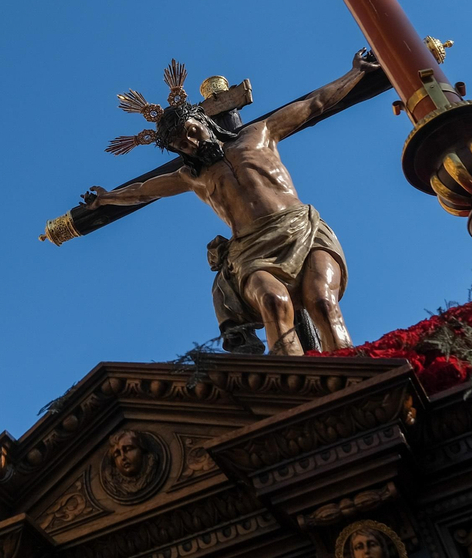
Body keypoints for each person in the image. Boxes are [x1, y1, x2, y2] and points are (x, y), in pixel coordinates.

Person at [83, 51, 381, 354]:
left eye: (191, 132)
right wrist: (106, 197)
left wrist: (355, 73)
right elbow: (143, 191)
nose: (191, 144)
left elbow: (313, 104)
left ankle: (354, 378)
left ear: (202, 120)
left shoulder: (259, 134)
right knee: (273, 303)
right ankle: (296, 387)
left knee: (322, 301)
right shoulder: (191, 176)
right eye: (180, 145)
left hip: (300, 227)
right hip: (252, 249)